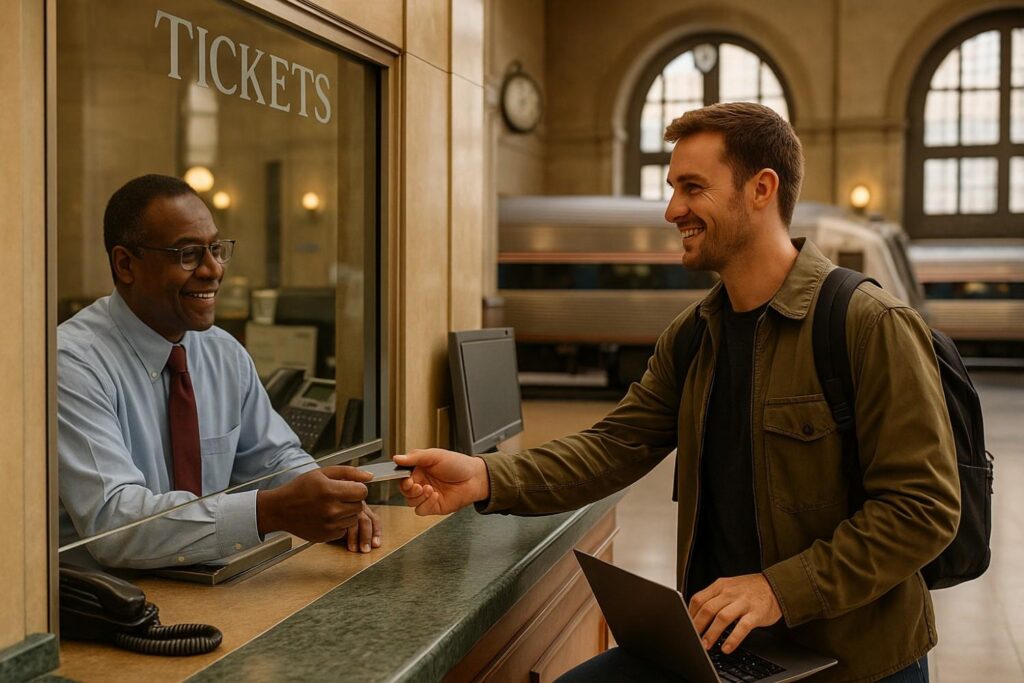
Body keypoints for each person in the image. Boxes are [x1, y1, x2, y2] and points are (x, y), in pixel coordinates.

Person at [394, 103, 959, 682]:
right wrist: (486, 477)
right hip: (719, 649)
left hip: (851, 665)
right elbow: (614, 445)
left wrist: (776, 589)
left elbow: (923, 509)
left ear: (761, 189)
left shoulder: (868, 324)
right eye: (673, 189)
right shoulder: (694, 336)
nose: (672, 211)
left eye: (692, 188)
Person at [59, 174, 380, 569]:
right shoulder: (72, 363)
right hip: (105, 607)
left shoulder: (224, 352)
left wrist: (324, 497)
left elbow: (273, 457)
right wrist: (268, 513)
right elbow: (115, 524)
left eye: (216, 248)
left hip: (217, 591)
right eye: (188, 254)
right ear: (126, 264)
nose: (213, 270)